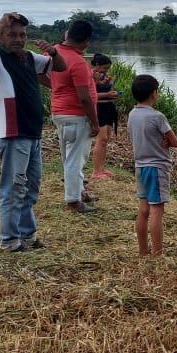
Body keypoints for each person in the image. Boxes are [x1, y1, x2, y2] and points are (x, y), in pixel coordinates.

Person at [0, 12, 65, 251]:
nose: (18, 39)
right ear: (2, 37)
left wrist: (54, 52)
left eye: (22, 35)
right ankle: (10, 241)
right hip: (13, 131)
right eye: (11, 34)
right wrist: (2, 22)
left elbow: (60, 68)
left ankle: (27, 235)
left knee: (31, 187)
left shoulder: (28, 57)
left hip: (32, 132)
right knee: (13, 188)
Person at [50, 19, 100, 213]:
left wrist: (58, 88)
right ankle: (73, 201)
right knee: (75, 159)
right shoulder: (78, 62)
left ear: (67, 34)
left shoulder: (54, 52)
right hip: (76, 116)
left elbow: (40, 74)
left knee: (69, 157)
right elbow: (85, 98)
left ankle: (79, 192)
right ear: (86, 40)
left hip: (60, 113)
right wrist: (95, 123)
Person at [128, 74, 177, 256]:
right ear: (153, 93)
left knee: (143, 209)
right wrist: (165, 140)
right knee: (157, 210)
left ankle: (143, 251)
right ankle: (158, 253)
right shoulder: (157, 116)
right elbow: (175, 142)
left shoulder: (132, 114)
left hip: (140, 167)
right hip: (157, 167)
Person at [89, 53, 119, 181]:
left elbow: (109, 91)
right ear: (97, 65)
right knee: (101, 140)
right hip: (99, 108)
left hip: (108, 108)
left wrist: (111, 89)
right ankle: (96, 171)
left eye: (108, 69)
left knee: (105, 141)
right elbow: (91, 95)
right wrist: (107, 93)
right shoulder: (89, 75)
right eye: (104, 68)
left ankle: (102, 168)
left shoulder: (105, 77)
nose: (106, 71)